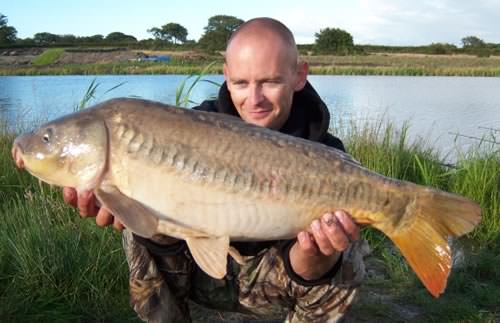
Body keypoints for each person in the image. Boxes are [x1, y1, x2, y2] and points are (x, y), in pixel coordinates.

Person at [63, 17, 366, 323]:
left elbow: (306, 268)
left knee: (347, 254)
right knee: (136, 222)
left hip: (276, 279)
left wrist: (317, 256)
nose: (254, 99)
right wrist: (134, 214)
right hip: (199, 271)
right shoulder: (191, 129)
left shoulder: (327, 156)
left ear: (299, 75)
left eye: (270, 82)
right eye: (240, 83)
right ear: (226, 76)